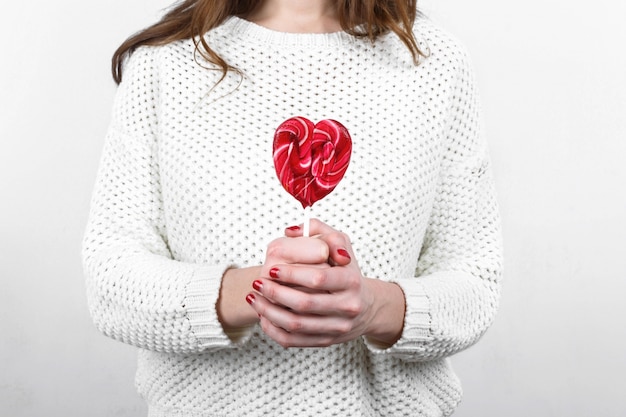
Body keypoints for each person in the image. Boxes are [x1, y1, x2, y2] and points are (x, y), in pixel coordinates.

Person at [83, 0, 503, 415]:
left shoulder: (435, 61)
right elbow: (111, 277)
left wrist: (372, 306)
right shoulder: (165, 62)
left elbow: (474, 286)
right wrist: (259, 292)